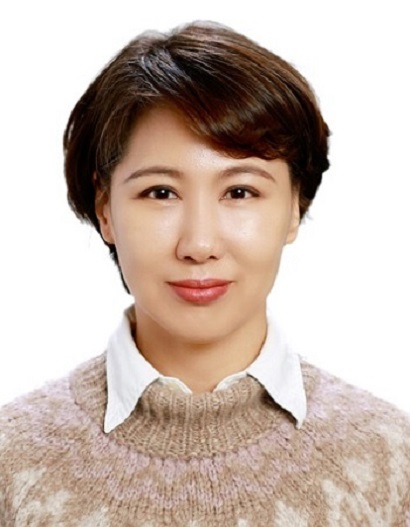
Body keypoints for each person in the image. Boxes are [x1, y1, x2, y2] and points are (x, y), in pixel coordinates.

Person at [0, 20, 409, 527]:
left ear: (294, 208)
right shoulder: (13, 461)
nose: (199, 245)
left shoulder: (388, 459)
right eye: (160, 193)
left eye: (240, 192)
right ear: (105, 210)